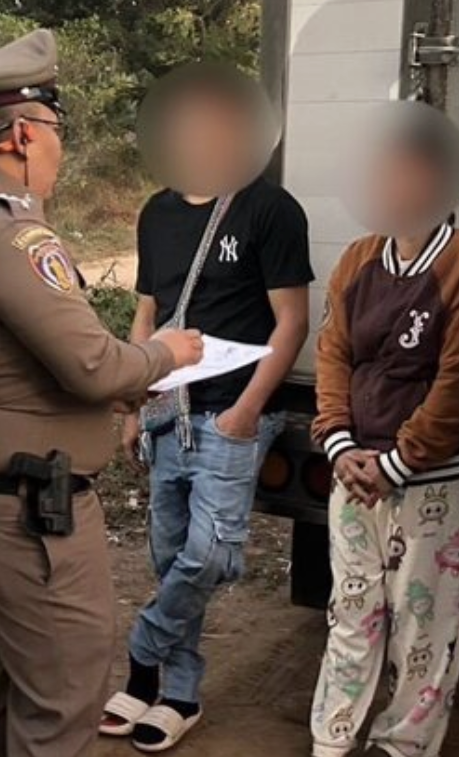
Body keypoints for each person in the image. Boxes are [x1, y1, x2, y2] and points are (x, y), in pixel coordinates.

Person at [0, 29, 204, 757]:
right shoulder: (10, 235)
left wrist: (116, 384)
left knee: (9, 678)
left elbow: (15, 360)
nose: (59, 151)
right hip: (24, 512)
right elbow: (96, 366)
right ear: (21, 134)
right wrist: (166, 352)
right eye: (56, 131)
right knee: (63, 696)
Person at [100, 64, 313, 752]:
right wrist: (132, 404)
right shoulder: (156, 212)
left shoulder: (269, 209)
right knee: (170, 557)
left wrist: (248, 411)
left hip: (231, 413)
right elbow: (147, 315)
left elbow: (292, 323)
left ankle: (142, 652)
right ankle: (178, 694)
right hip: (168, 410)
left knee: (211, 554)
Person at [308, 104, 459, 757]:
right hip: (354, 473)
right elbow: (334, 353)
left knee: (426, 628)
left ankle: (402, 746)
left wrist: (396, 463)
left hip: (435, 483)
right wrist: (340, 443)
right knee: (351, 613)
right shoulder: (360, 258)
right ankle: (332, 740)